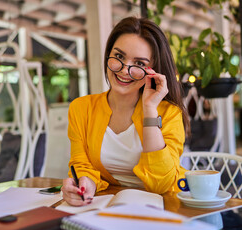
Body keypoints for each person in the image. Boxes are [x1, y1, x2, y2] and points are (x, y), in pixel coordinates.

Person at [62, 16, 190, 206]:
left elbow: (161, 184)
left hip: (167, 207)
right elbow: (82, 165)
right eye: (119, 57)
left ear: (152, 71)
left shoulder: (169, 113)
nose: (124, 70)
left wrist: (149, 109)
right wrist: (85, 184)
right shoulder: (81, 108)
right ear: (108, 55)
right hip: (110, 205)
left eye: (139, 64)